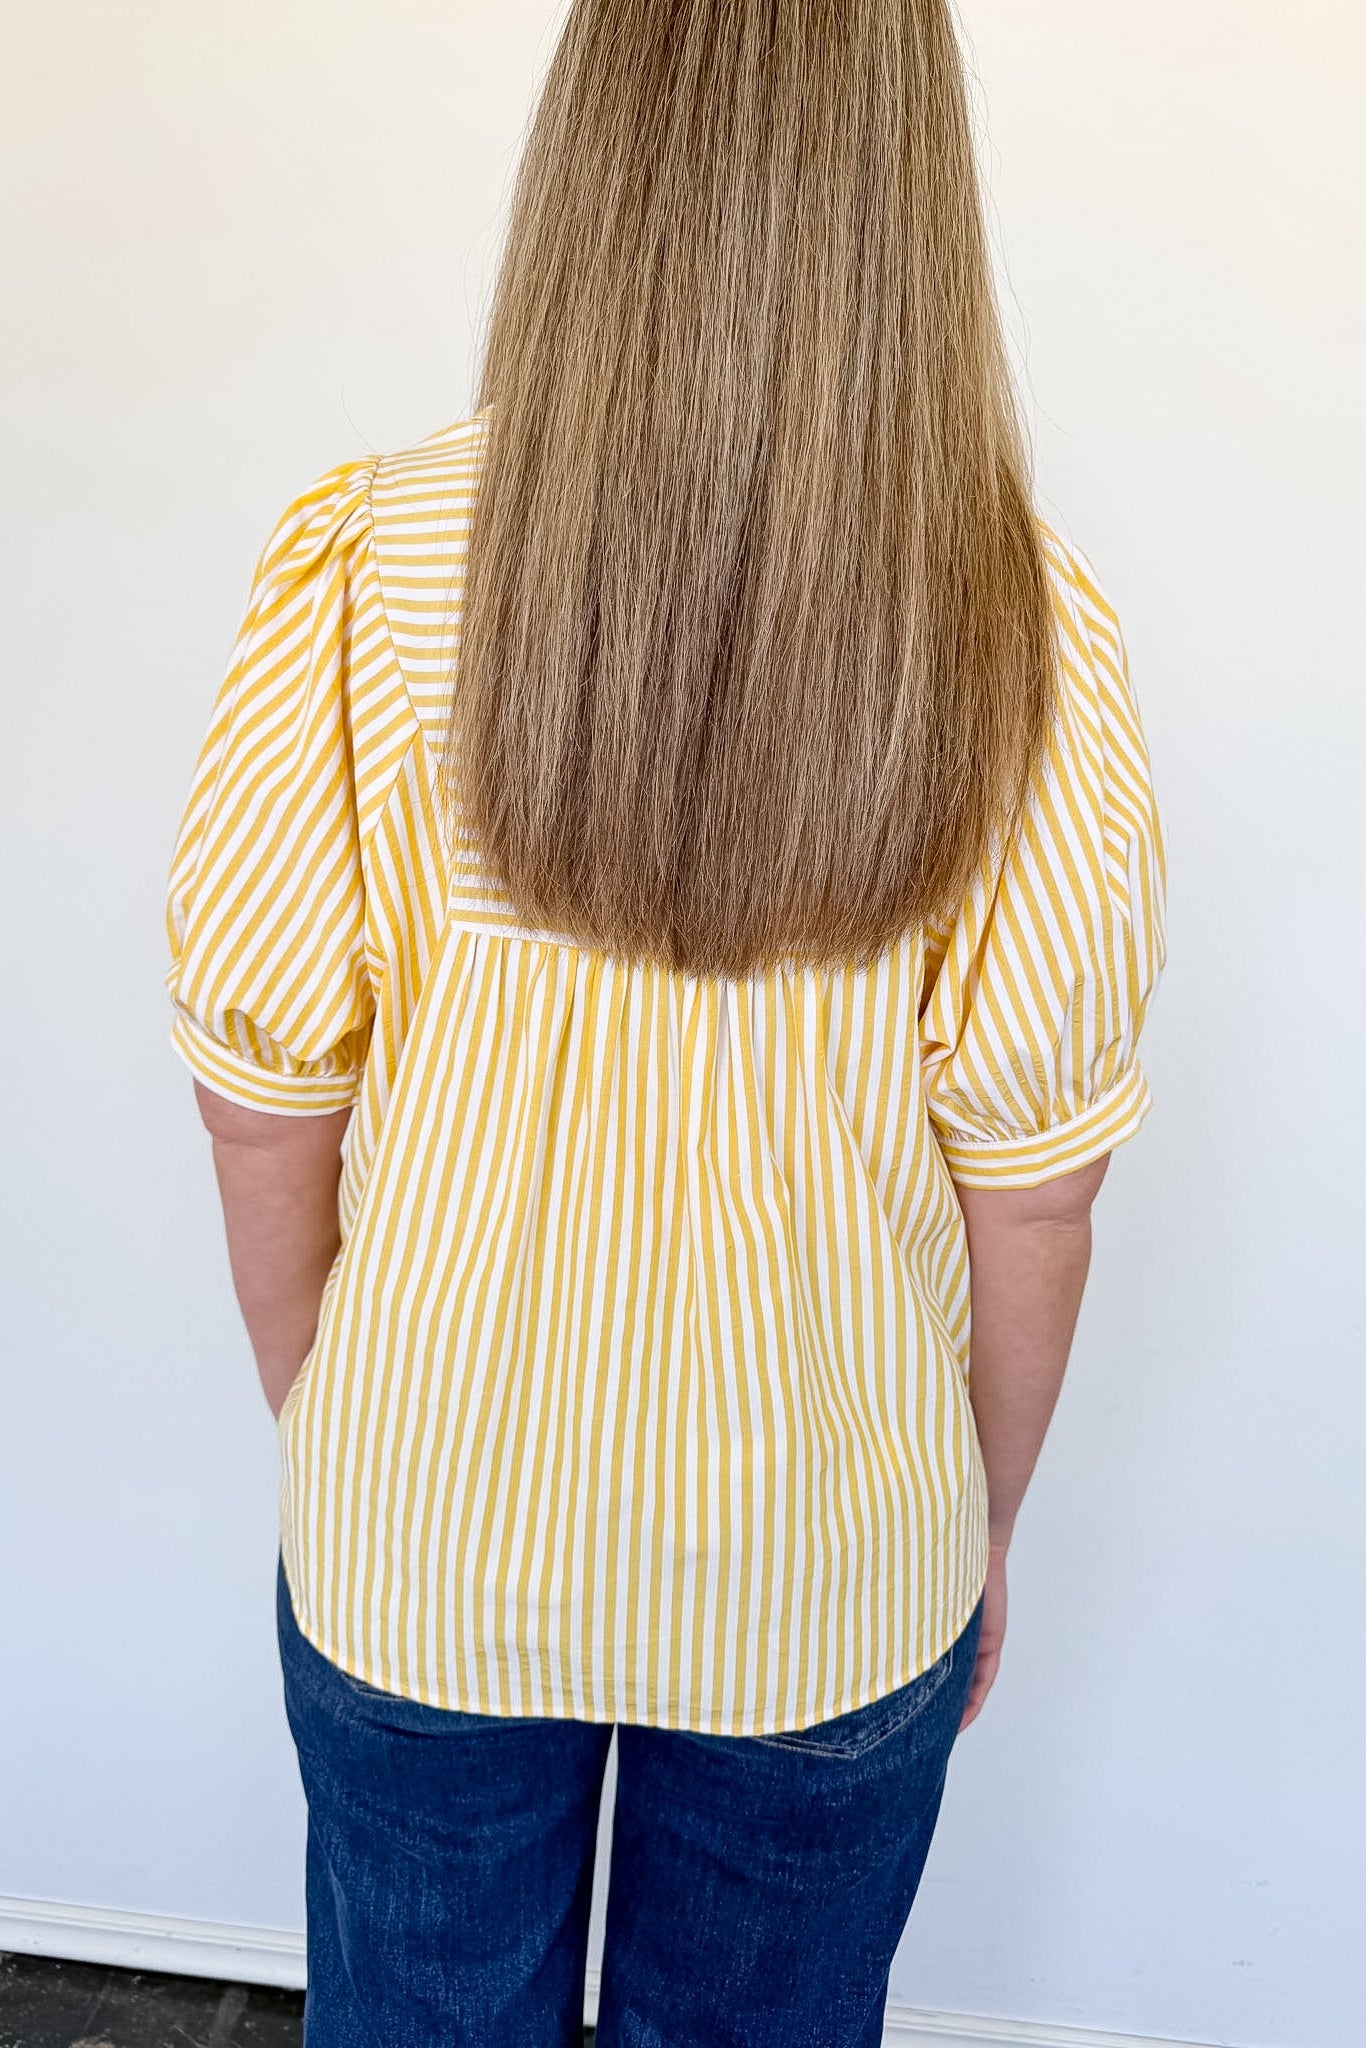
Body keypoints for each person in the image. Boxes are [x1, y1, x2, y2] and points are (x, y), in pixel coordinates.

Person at [164, 2, 1166, 2042]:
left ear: (589, 166)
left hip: (423, 1533)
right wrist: (973, 1521)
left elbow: (260, 1098)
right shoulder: (1015, 622)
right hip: (829, 1569)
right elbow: (1034, 1194)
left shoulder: (366, 563)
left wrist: (332, 1416)